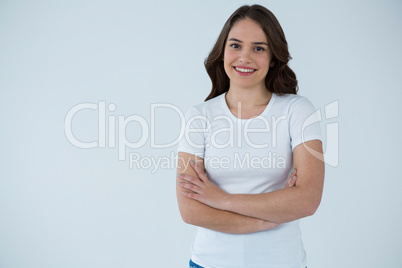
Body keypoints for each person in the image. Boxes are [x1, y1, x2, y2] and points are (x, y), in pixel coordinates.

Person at [176, 4, 324, 268]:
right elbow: (190, 210)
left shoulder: (297, 110)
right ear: (222, 51)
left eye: (258, 48)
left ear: (273, 57)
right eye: (235, 45)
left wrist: (220, 199)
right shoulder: (199, 116)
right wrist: (264, 220)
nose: (244, 57)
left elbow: (307, 200)